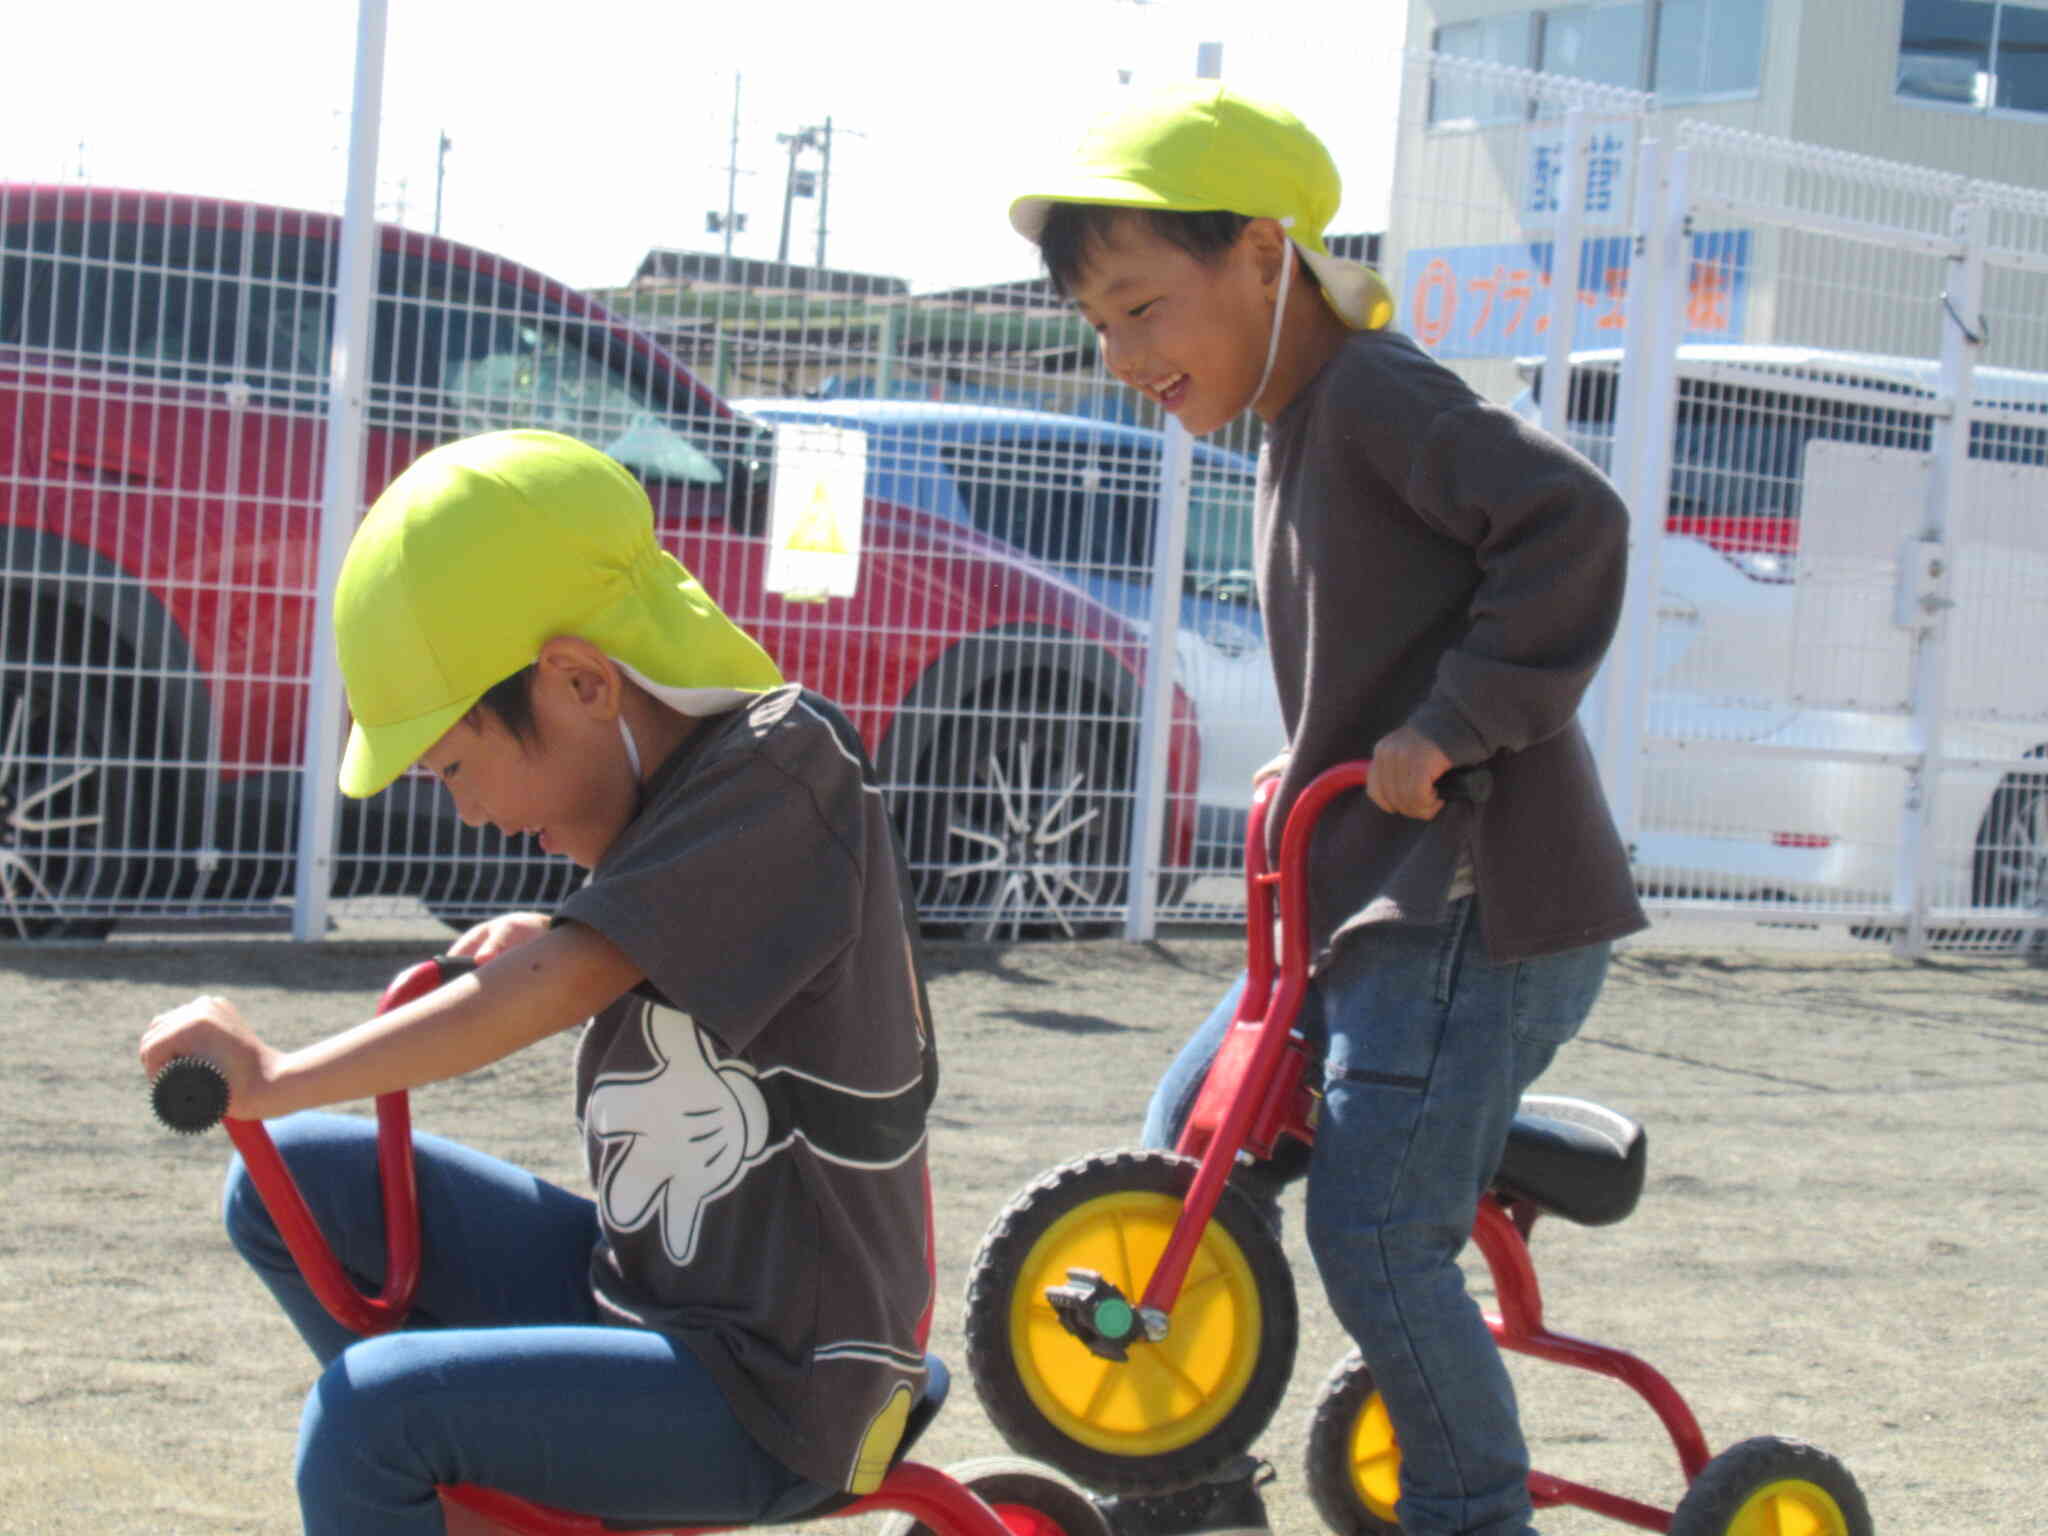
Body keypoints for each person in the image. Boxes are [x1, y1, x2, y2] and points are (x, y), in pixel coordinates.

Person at [1009, 83, 1647, 1536]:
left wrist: (1452, 726)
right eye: (1098, 328)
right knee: (1191, 1141)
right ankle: (1189, 1479)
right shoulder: (1296, 421)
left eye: (1143, 307)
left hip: (1474, 905)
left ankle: (1473, 1513)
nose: (1123, 357)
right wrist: (1321, 755)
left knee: (1376, 1237)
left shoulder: (1375, 393)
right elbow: (1395, 629)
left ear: (1261, 254)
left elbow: (1571, 526)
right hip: (1378, 899)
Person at [138, 429, 939, 1536]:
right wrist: (562, 931)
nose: (467, 811)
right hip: (647, 1299)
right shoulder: (674, 810)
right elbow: (615, 945)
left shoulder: (786, 762)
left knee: (368, 1420)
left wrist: (273, 1077)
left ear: (579, 680)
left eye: (459, 767)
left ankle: (456, 1496)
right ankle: (483, 1503)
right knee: (295, 1194)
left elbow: (557, 983)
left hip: (780, 1389)